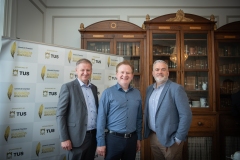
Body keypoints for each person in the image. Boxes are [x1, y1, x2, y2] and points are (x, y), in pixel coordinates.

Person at [143, 60, 192, 160]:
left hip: (170, 139)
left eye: (163, 69)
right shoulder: (149, 89)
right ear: (153, 73)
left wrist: (178, 139)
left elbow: (186, 115)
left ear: (168, 73)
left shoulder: (176, 89)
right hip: (153, 137)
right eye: (157, 69)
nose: (159, 72)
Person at [96, 61, 142, 160]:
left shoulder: (137, 94)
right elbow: (101, 119)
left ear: (132, 75)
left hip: (132, 140)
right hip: (113, 140)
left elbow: (139, 118)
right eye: (122, 72)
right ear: (117, 74)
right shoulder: (108, 93)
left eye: (128, 73)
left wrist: (138, 138)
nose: (125, 75)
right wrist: (100, 142)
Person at [56, 58, 99, 160]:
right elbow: (60, 114)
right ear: (76, 71)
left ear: (91, 71)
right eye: (82, 70)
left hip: (93, 136)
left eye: (88, 70)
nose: (85, 73)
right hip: (76, 138)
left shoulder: (94, 88)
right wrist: (64, 138)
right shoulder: (68, 87)